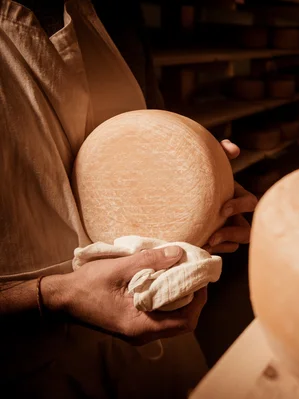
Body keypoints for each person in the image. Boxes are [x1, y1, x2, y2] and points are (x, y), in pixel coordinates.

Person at [0, 0, 257, 397]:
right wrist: (54, 296)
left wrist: (198, 185)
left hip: (155, 322)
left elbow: (139, 136)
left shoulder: (117, 10)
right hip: (27, 366)